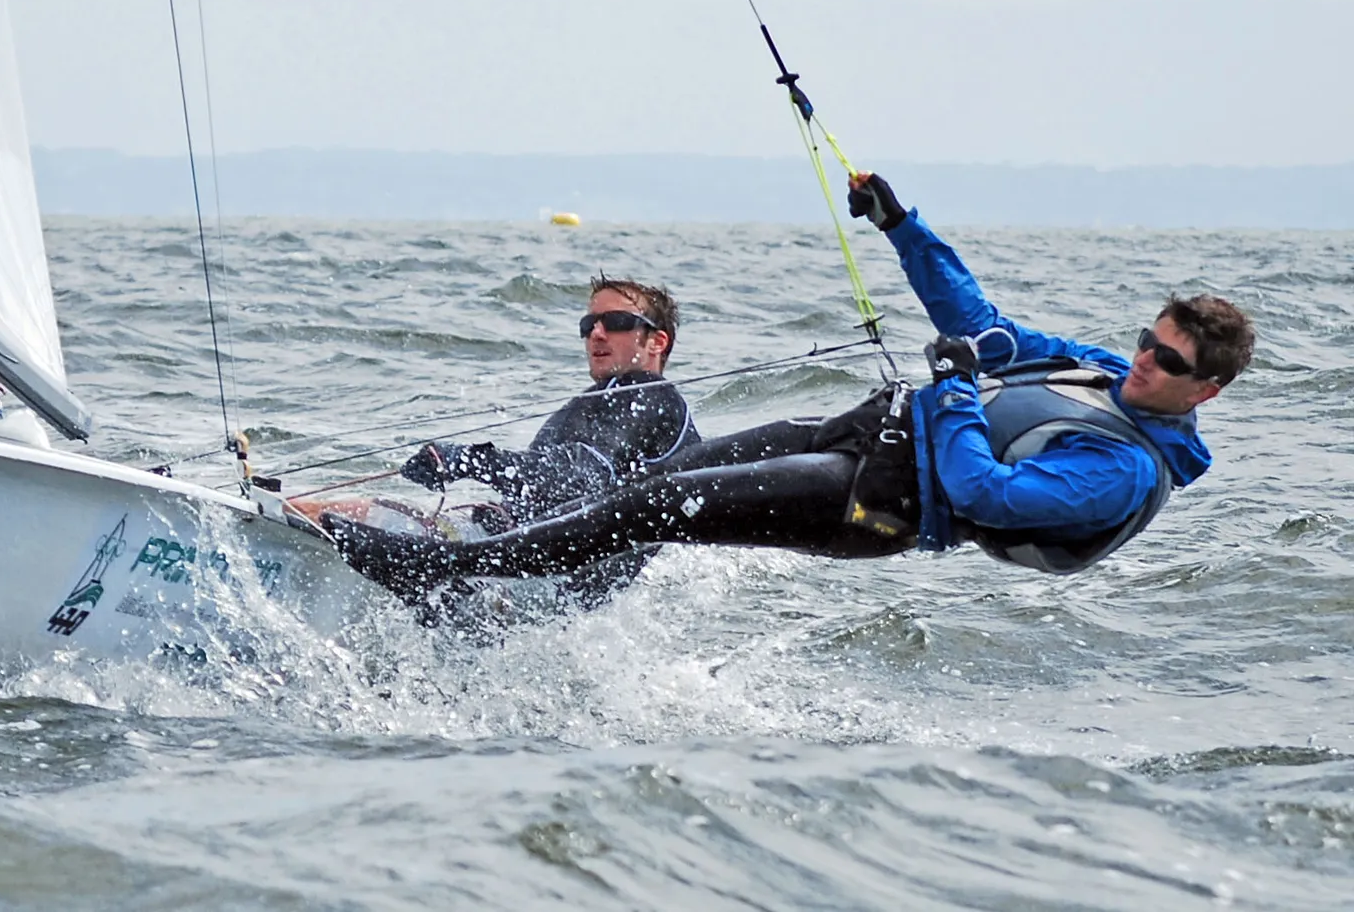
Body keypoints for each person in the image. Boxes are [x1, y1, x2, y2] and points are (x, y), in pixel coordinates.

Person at [319, 174, 1255, 604]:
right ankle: (523, 566)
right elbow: (977, 326)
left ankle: (445, 572)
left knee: (659, 502)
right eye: (1149, 341)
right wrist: (902, 226)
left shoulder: (1125, 471)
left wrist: (962, 398)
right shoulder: (1093, 367)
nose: (1144, 363)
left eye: (1169, 364)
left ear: (1204, 392)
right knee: (654, 485)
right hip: (861, 429)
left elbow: (987, 494)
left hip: (876, 506)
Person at [289, 276, 701, 531]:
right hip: (507, 550)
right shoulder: (603, 400)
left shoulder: (650, 396)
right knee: (332, 510)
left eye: (615, 323)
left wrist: (467, 460)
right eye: (587, 325)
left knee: (325, 515)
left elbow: (580, 476)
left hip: (531, 575)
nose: (595, 334)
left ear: (657, 341)